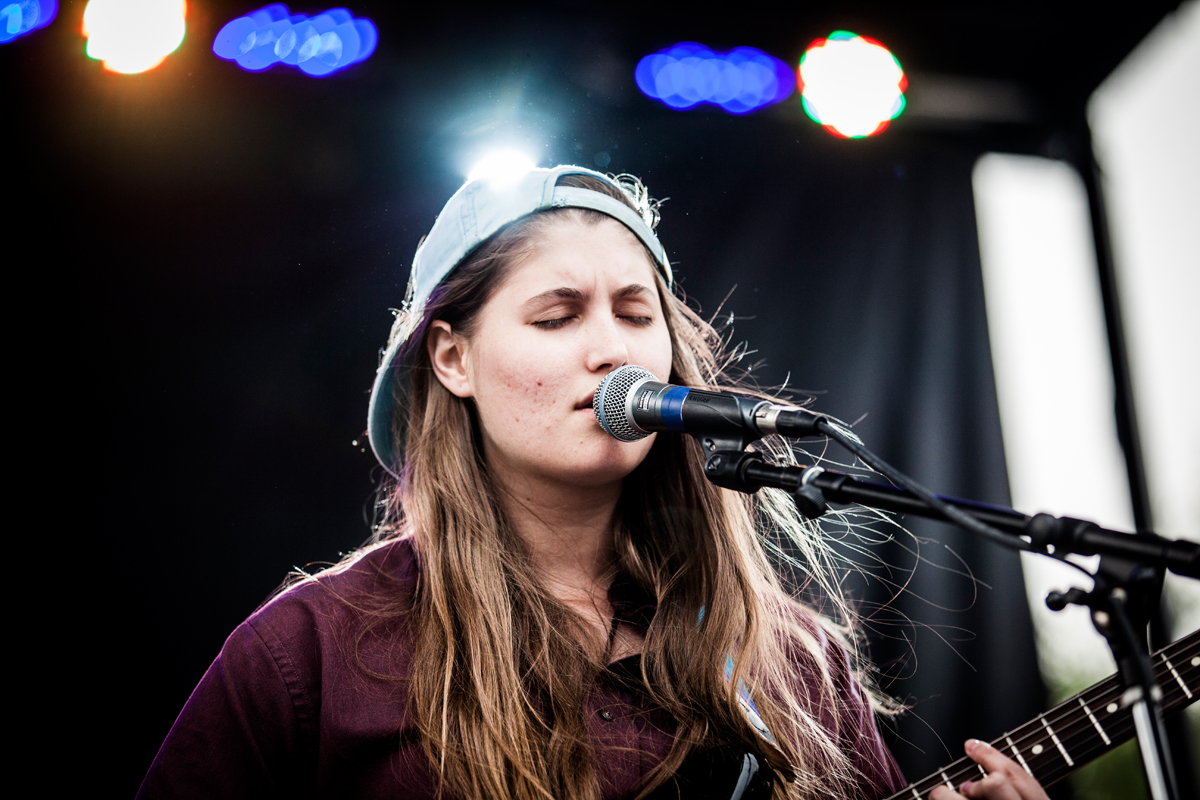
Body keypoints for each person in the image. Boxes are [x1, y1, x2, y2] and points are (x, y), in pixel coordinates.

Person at [139, 166, 1050, 800]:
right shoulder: (311, 655)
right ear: (452, 358)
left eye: (633, 311)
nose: (611, 348)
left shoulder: (790, 662)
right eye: (556, 314)